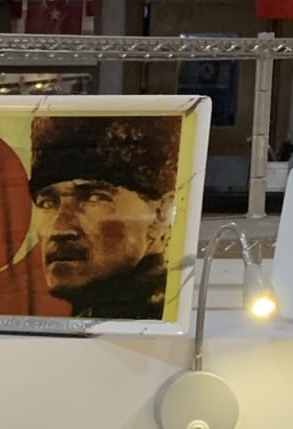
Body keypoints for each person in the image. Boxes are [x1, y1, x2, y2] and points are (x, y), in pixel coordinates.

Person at [28, 115, 181, 320]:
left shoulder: (160, 318)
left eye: (94, 198)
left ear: (160, 215)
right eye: (47, 203)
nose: (59, 229)